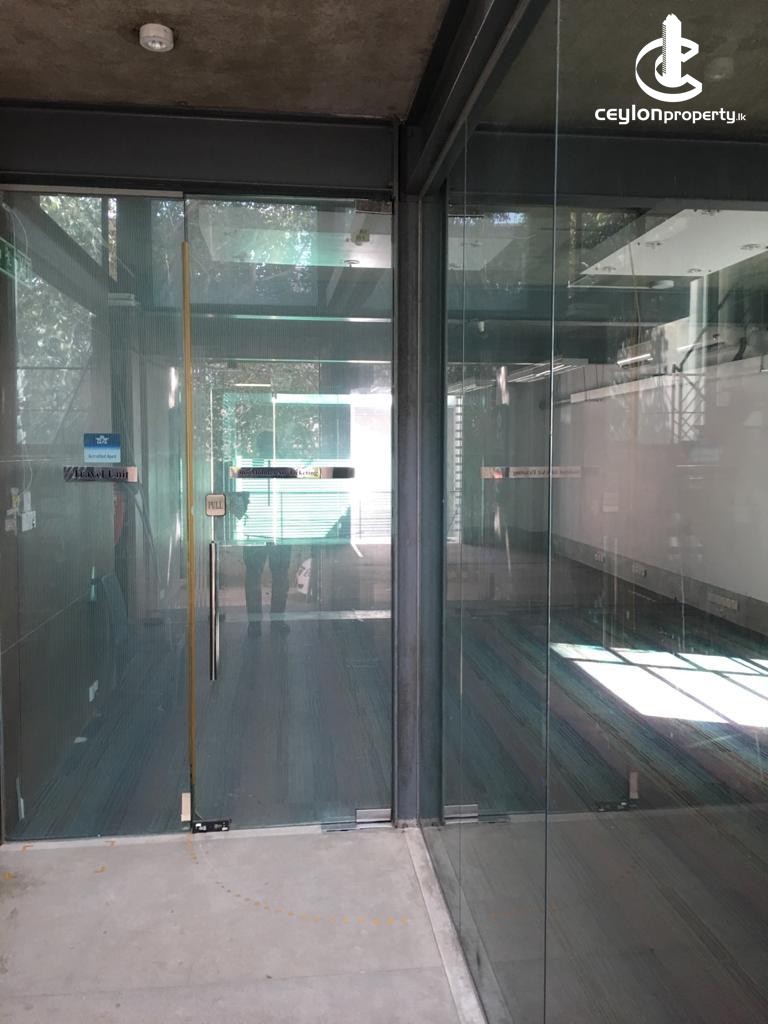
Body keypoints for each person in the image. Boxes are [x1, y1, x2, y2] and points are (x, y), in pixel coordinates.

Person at [233, 431, 291, 638]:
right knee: (275, 575)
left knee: (259, 576)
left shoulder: (252, 469)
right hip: (270, 530)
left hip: (264, 530)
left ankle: (257, 624)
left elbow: (238, 506)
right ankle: (272, 622)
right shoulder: (281, 469)